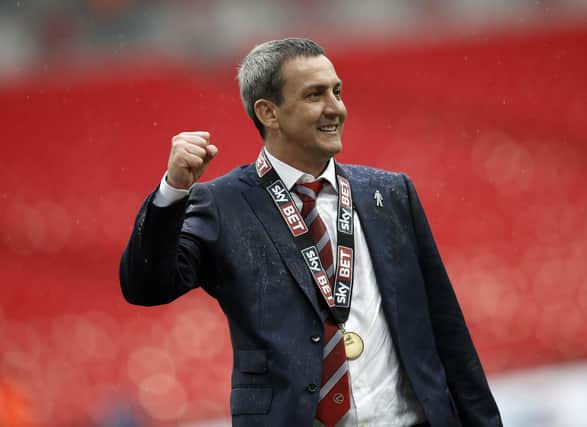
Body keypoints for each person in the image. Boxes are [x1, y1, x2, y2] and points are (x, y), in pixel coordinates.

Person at [120, 38, 502, 427]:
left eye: (337, 91)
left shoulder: (389, 193)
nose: (335, 107)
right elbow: (146, 286)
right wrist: (173, 191)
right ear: (269, 112)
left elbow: (447, 329)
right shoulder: (222, 205)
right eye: (315, 95)